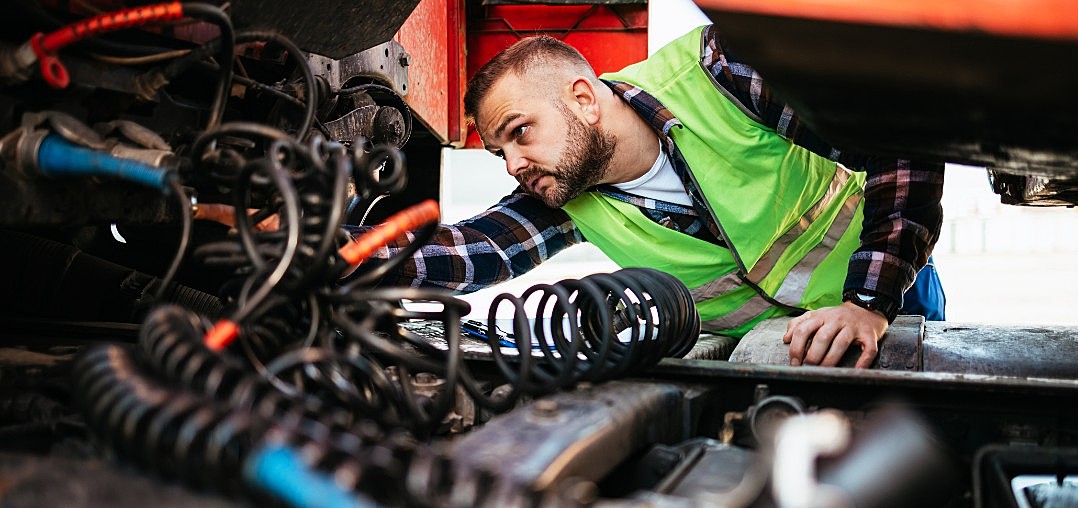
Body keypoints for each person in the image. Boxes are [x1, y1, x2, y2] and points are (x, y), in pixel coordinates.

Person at [348, 25, 946, 369]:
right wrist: (325, 255)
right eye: (499, 152)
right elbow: (468, 252)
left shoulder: (718, 72)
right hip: (779, 358)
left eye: (519, 132)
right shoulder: (565, 192)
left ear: (583, 97)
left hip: (890, 302)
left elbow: (896, 139)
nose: (513, 164)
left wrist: (869, 301)